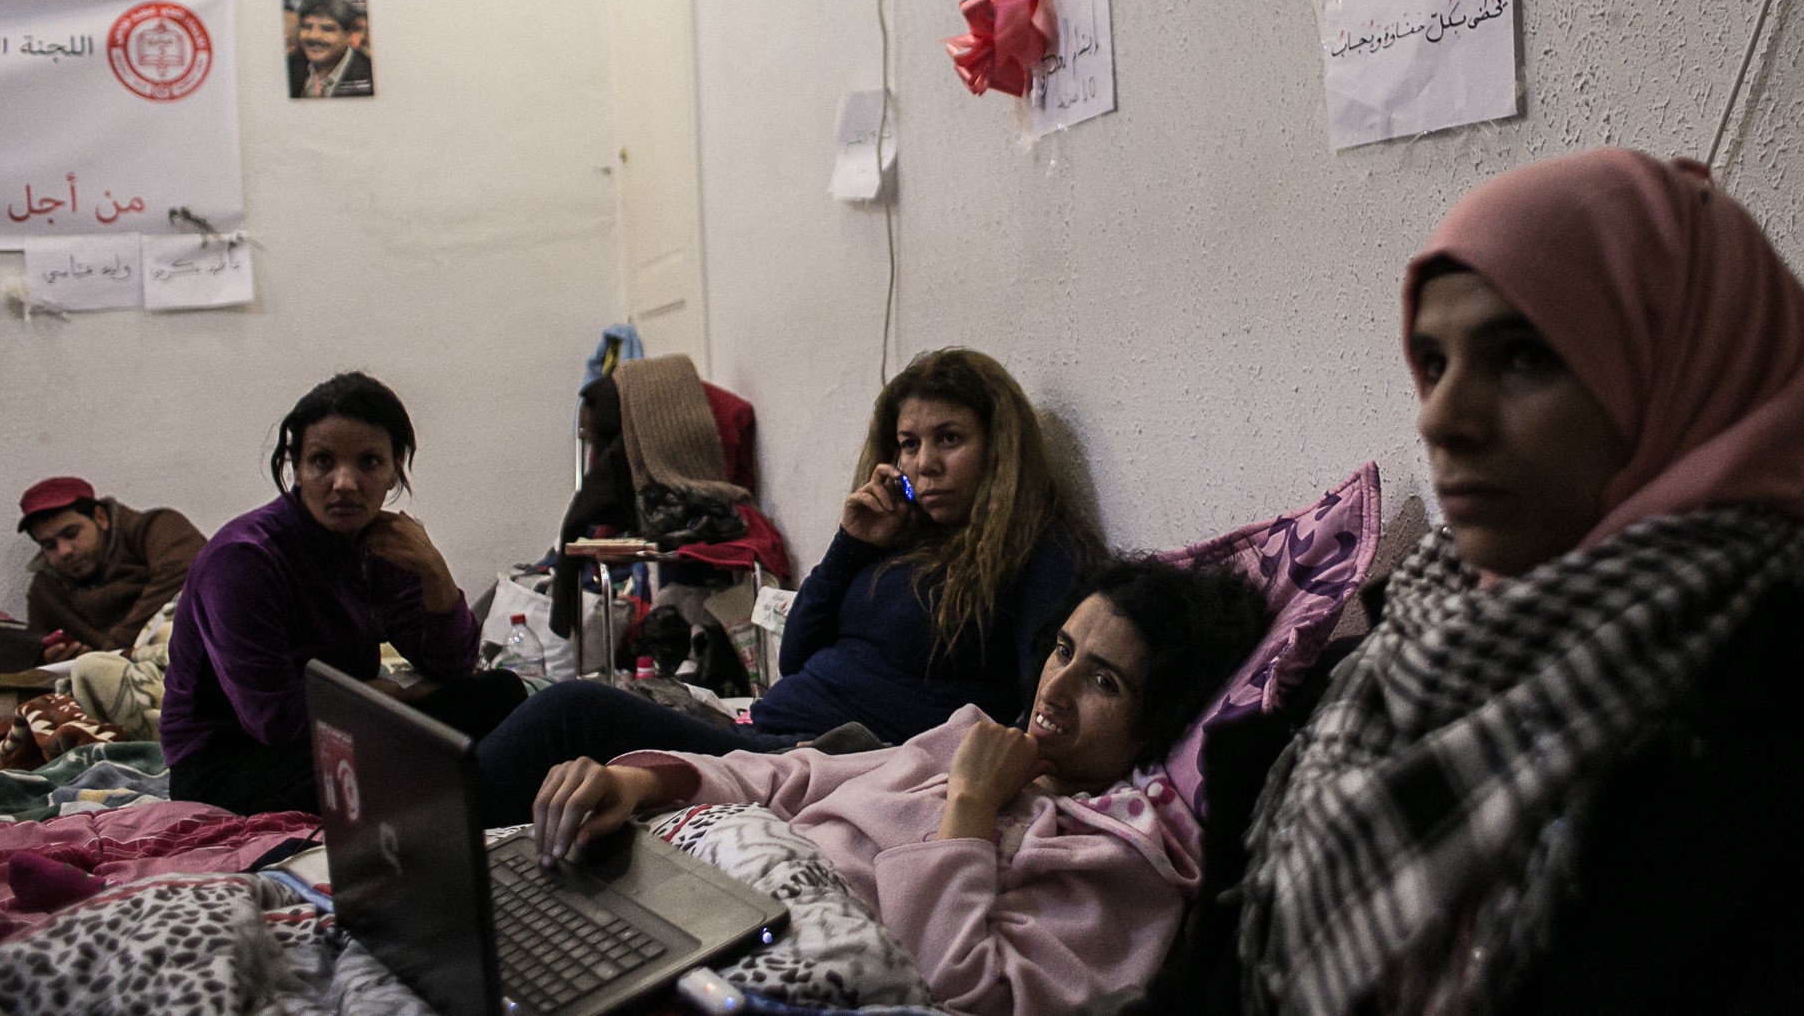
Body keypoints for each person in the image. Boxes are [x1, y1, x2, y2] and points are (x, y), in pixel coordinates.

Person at [1237, 150, 1804, 1016]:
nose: (1439, 417)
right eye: (1434, 361)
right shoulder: (1392, 648)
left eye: (1524, 358)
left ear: (1682, 373)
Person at [532, 556, 1270, 1016]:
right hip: (697, 894)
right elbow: (793, 776)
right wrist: (638, 781)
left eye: (1104, 680)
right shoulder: (973, 736)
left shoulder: (1119, 860)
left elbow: (962, 989)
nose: (1059, 685)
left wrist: (971, 809)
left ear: (1156, 724)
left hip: (767, 960)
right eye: (1063, 650)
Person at [476, 347, 1095, 826]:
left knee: (571, 713)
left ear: (1000, 449)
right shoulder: (901, 537)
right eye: (909, 444)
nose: (923, 463)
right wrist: (852, 541)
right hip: (763, 731)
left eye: (949, 439)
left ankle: (424, 848)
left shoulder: (1037, 553)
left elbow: (1032, 712)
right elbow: (796, 654)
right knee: (513, 695)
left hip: (834, 758)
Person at [160, 372, 525, 815]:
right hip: (233, 762)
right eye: (322, 462)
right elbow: (277, 723)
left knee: (501, 693)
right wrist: (396, 694)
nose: (344, 483)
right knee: (401, 765)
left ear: (395, 470)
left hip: (344, 727)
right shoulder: (244, 560)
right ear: (295, 468)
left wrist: (433, 570)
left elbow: (453, 664)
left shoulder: (384, 543)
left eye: (369, 463)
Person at [16, 476, 204, 661]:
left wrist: (109, 653)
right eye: (49, 545)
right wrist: (48, 658)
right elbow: (35, 651)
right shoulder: (46, 588)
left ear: (101, 517)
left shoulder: (156, 528)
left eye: (71, 534)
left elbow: (185, 575)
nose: (64, 551)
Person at [287, 0, 374, 98]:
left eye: (327, 29)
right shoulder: (290, 65)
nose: (313, 36)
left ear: (349, 35)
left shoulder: (370, 74)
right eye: (307, 27)